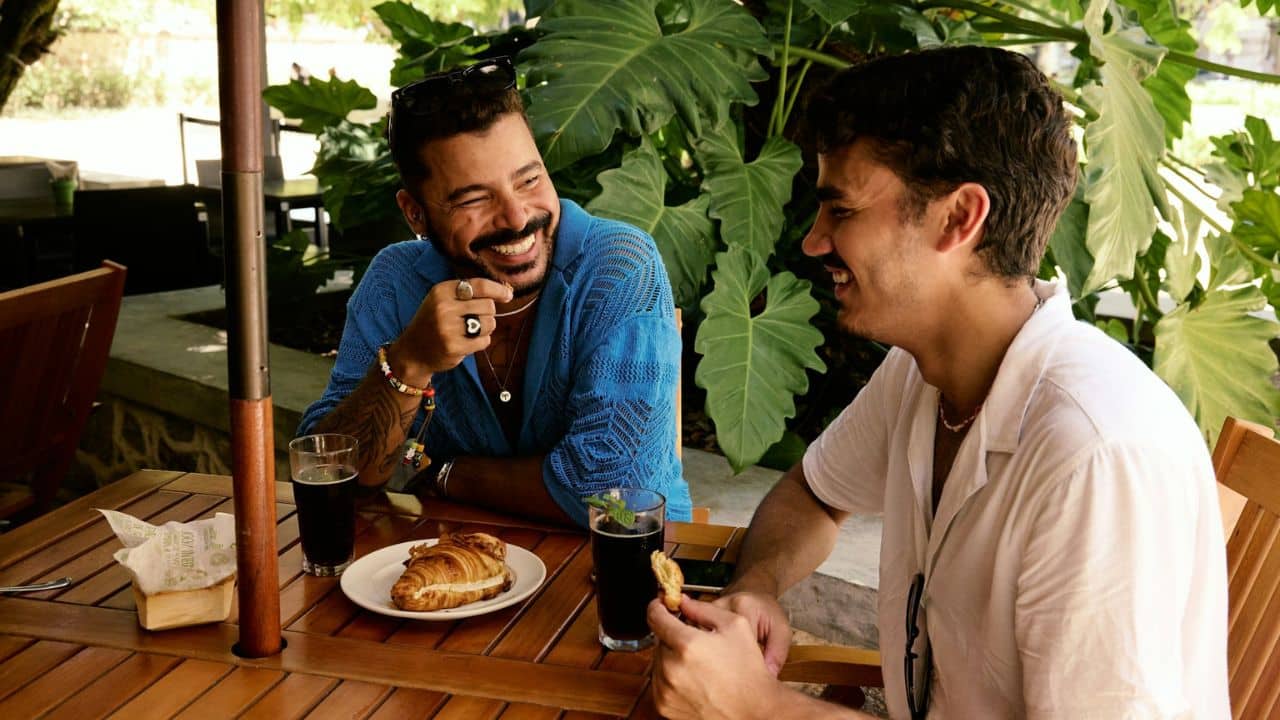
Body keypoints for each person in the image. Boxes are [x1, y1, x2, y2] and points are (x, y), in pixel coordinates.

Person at [648, 46, 1229, 719]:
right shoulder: (926, 371)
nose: (812, 241)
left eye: (840, 211)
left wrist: (761, 708)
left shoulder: (1096, 458)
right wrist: (758, 586)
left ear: (959, 218)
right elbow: (813, 494)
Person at [298, 56, 691, 527]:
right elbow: (330, 468)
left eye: (529, 180)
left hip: (622, 564)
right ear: (415, 213)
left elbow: (617, 493)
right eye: (474, 199)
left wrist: (446, 473)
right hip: (456, 557)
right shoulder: (393, 282)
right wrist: (409, 362)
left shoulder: (618, 266)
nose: (517, 218)